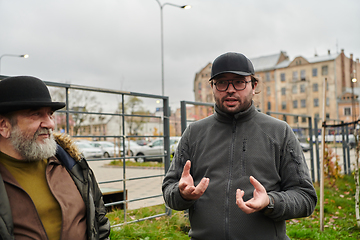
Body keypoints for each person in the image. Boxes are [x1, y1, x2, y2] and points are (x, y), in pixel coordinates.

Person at [162, 52, 317, 240]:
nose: (230, 89)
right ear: (212, 86)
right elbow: (169, 189)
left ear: (254, 85)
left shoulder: (279, 132)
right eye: (221, 82)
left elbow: (305, 197)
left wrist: (271, 201)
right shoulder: (194, 133)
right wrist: (182, 194)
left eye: (239, 82)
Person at [0, 76, 110, 240]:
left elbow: (99, 222)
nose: (50, 124)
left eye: (50, 114)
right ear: (4, 126)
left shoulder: (72, 164)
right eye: (36, 114)